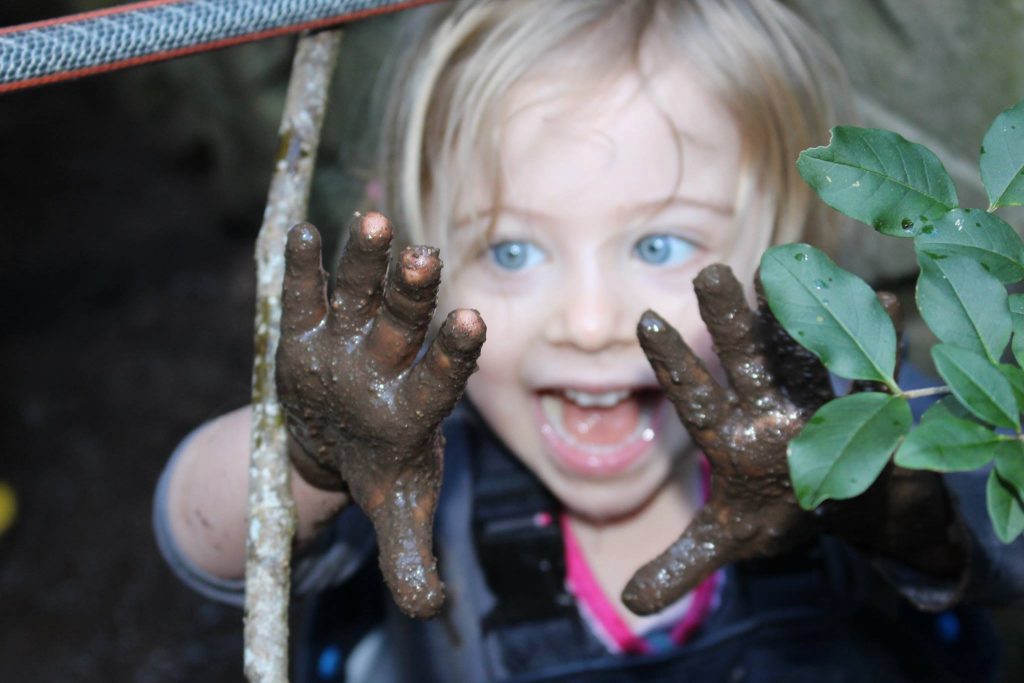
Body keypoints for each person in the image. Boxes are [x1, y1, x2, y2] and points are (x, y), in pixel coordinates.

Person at [153, 1, 1017, 680]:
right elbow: (201, 539)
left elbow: (1004, 535)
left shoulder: (854, 417)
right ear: (428, 256)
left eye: (659, 245)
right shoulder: (414, 457)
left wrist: (908, 515)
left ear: (796, 249)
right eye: (513, 250)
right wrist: (311, 461)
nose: (591, 322)